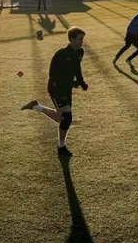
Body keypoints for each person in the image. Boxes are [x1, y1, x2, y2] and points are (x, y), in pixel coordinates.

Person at [21, 27, 89, 156]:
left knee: (61, 118)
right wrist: (67, 84)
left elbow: (76, 68)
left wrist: (81, 82)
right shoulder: (61, 54)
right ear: (72, 39)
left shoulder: (80, 52)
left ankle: (36, 106)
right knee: (67, 117)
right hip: (56, 88)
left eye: (83, 39)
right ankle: (61, 146)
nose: (82, 41)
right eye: (80, 39)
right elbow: (53, 74)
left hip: (67, 88)